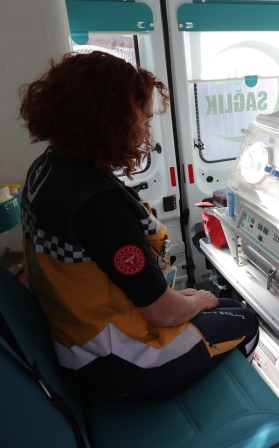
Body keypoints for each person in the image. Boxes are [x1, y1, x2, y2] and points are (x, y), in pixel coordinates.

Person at [19, 51, 258, 401]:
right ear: (109, 123)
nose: (145, 133)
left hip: (78, 337)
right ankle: (230, 409)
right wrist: (192, 302)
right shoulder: (99, 206)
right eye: (142, 123)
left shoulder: (49, 167)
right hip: (117, 363)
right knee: (245, 321)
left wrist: (185, 299)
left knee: (222, 305)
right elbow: (163, 311)